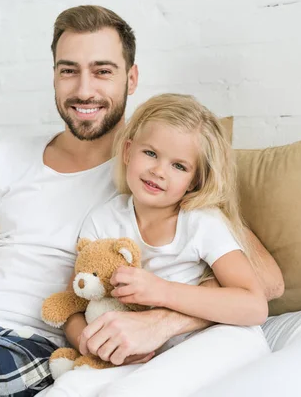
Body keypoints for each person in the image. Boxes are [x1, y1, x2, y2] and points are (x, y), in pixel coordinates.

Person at [0, 5, 283, 397]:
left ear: (132, 77)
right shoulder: (7, 156)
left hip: (23, 343)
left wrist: (161, 321)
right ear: (55, 76)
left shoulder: (154, 174)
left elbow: (264, 284)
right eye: (69, 71)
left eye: (103, 71)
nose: (84, 90)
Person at [42, 93, 272, 397]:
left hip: (218, 339)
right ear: (127, 152)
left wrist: (162, 291)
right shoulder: (104, 220)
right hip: (145, 355)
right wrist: (91, 341)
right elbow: (78, 299)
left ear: (194, 181)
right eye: (150, 153)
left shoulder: (201, 222)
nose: (159, 171)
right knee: (66, 388)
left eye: (179, 166)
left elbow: (254, 305)